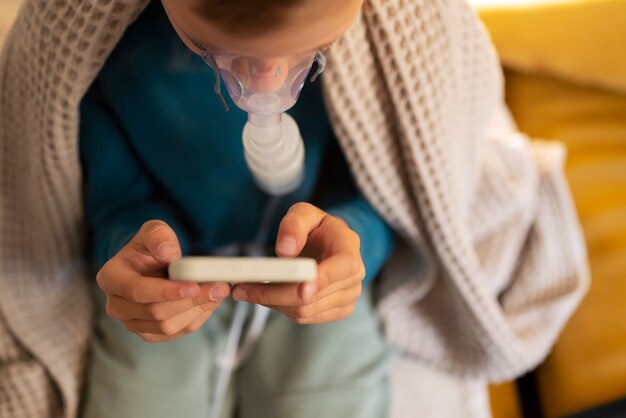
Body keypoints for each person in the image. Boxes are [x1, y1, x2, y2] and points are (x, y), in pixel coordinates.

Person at [0, 0, 589, 417]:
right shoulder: (100, 52)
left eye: (316, 50)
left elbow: (408, 184)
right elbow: (100, 197)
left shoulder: (395, 47)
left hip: (317, 275)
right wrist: (131, 250)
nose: (267, 81)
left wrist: (355, 238)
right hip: (172, 277)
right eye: (214, 49)